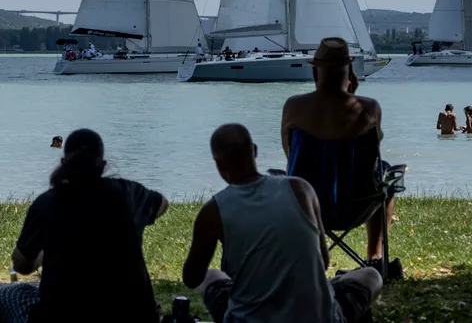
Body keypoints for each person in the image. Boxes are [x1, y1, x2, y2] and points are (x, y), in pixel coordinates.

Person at [183, 124, 382, 323]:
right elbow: (323, 261)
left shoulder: (213, 211)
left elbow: (191, 278)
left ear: (218, 164)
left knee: (211, 275)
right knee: (371, 275)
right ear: (254, 150)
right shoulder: (300, 189)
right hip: (321, 317)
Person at [1, 129, 168, 322]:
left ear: (64, 163)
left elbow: (21, 265)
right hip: (133, 315)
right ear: (103, 165)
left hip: (63, 316)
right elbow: (162, 203)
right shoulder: (128, 193)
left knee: (10, 294)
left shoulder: (48, 203)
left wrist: (42, 255)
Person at [281, 38, 398, 261]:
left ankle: (306, 255)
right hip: (358, 206)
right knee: (385, 173)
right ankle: (375, 254)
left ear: (316, 72)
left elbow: (289, 154)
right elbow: (374, 154)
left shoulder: (293, 107)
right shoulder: (369, 108)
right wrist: (352, 95)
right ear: (349, 71)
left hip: (306, 207)